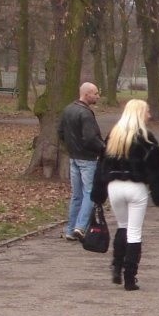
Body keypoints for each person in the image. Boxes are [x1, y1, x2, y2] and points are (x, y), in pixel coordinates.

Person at [91, 99, 159, 290]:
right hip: (136, 187)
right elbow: (157, 170)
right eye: (147, 111)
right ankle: (130, 277)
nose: (150, 115)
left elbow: (101, 166)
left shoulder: (113, 136)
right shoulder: (147, 138)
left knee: (122, 226)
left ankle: (116, 267)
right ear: (141, 113)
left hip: (114, 187)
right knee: (134, 231)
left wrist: (98, 194)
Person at [58, 82, 105, 242]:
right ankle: (81, 226)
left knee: (77, 195)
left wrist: (71, 148)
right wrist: (104, 149)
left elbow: (61, 133)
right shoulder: (85, 114)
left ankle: (71, 229)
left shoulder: (68, 110)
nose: (98, 96)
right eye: (95, 93)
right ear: (87, 94)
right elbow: (90, 138)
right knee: (89, 194)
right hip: (88, 159)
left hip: (74, 158)